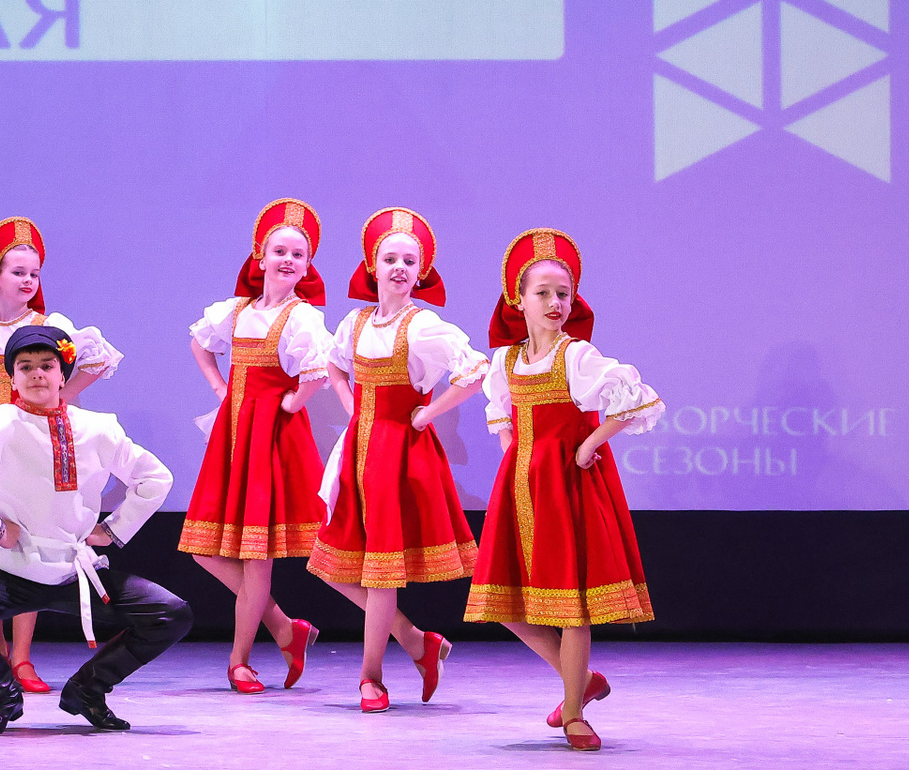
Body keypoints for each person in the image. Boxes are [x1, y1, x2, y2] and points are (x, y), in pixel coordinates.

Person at [0, 325, 192, 735]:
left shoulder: (98, 428)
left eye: (47, 366)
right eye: (25, 366)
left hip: (75, 571)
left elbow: (155, 478)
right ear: (12, 378)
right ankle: (2, 695)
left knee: (171, 613)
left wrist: (113, 531)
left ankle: (88, 689)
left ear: (62, 375)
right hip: (10, 569)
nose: (37, 374)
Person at [465, 229, 661, 752]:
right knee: (505, 603)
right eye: (543, 293)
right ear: (518, 299)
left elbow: (635, 400)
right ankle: (583, 680)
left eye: (564, 293)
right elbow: (502, 419)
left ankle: (574, 711)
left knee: (572, 604)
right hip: (523, 487)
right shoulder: (505, 362)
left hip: (567, 488)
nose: (555, 303)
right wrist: (515, 457)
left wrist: (588, 443)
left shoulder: (576, 356)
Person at [0, 216, 123, 693]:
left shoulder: (49, 327)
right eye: (18, 272)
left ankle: (22, 657)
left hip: (34, 444)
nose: (28, 280)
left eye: (34, 273)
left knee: (27, 542)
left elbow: (99, 360)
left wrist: (61, 396)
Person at [307, 207, 487, 713]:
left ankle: (371, 678)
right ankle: (413, 639)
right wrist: (351, 406)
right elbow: (335, 367)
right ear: (373, 264)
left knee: (380, 571)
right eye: (390, 259)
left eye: (410, 261)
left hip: (397, 453)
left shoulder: (423, 325)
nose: (400, 268)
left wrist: (429, 411)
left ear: (421, 271)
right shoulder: (356, 321)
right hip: (358, 450)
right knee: (331, 563)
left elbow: (475, 371)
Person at [180, 199, 333, 692]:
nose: (288, 260)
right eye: (279, 251)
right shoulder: (237, 311)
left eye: (298, 255)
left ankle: (239, 661)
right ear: (260, 257)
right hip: (234, 433)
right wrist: (219, 387)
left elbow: (318, 370)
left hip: (270, 438)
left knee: (255, 556)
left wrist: (292, 403)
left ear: (307, 267)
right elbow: (199, 343)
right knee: (204, 549)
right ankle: (286, 629)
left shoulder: (301, 316)